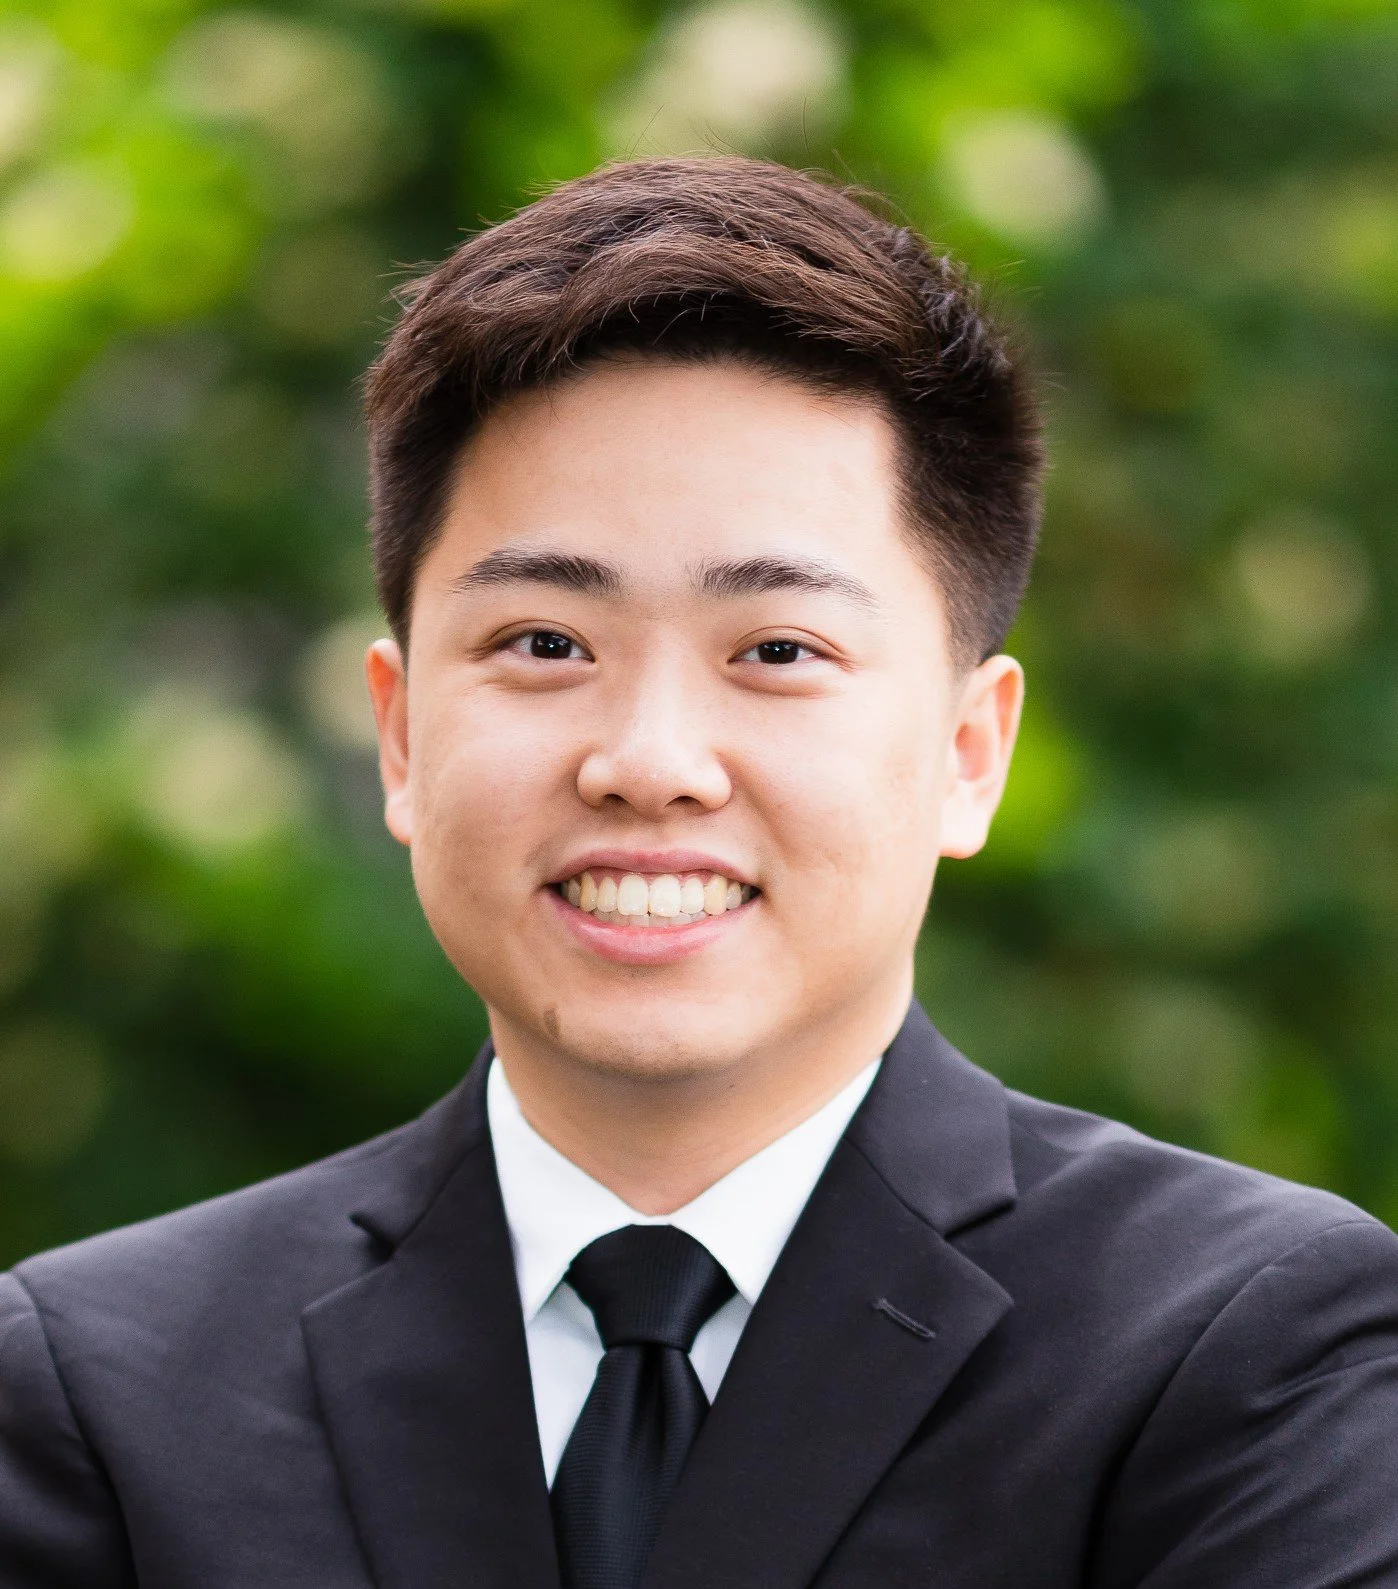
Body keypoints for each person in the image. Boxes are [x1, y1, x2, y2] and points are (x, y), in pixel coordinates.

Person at [2, 156, 1396, 1589]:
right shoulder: (99, 1389)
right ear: (402, 734)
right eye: (544, 644)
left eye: (776, 652)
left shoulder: (1240, 1348)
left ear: (969, 752)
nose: (649, 761)